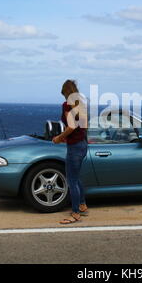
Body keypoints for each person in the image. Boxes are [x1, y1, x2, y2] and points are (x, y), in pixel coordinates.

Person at [53, 80, 88, 224]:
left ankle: (75, 214)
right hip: (83, 145)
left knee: (71, 180)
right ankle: (82, 204)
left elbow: (71, 127)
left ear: (65, 93)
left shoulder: (67, 105)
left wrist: (59, 138)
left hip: (74, 147)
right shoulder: (82, 105)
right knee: (75, 176)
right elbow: (83, 127)